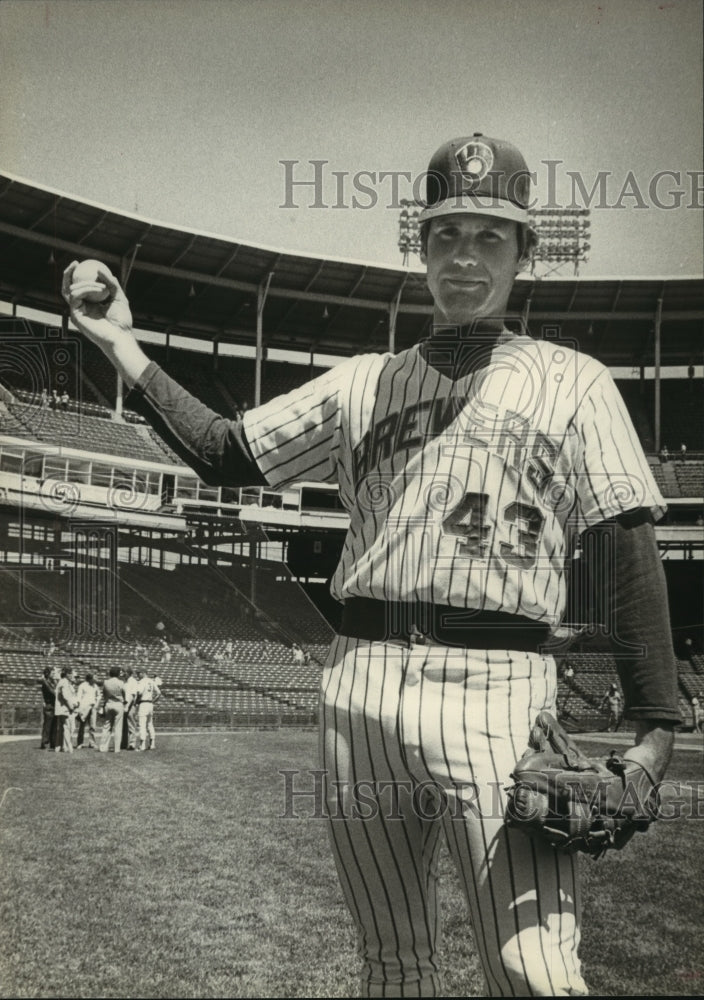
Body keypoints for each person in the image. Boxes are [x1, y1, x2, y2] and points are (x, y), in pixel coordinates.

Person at [63, 132, 680, 997]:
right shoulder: (360, 383)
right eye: (445, 235)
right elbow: (223, 449)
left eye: (489, 236)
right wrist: (119, 343)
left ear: (526, 254)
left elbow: (624, 536)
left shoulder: (574, 380)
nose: (465, 255)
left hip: (499, 682)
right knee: (391, 962)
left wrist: (655, 732)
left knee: (532, 967)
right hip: (360, 681)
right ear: (420, 248)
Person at [100, 666, 126, 753]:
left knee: (106, 726)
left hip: (108, 703)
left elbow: (104, 694)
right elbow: (124, 693)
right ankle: (116, 748)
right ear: (118, 673)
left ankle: (103, 747)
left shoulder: (106, 682)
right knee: (118, 727)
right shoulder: (120, 682)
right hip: (118, 704)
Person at [134, 666, 160, 751]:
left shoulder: (141, 681)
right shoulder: (151, 681)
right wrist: (153, 701)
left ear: (143, 673)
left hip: (143, 703)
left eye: (139, 673)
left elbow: (139, 693)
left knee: (142, 724)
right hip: (150, 704)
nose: (137, 675)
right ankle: (152, 744)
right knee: (150, 724)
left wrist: (136, 701)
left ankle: (142, 745)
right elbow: (159, 693)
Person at [54, 666, 78, 753]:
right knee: (67, 727)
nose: (72, 675)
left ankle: (59, 746)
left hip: (62, 708)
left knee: (62, 728)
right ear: (67, 674)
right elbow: (65, 696)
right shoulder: (64, 682)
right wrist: (71, 706)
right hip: (65, 708)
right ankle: (68, 746)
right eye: (70, 673)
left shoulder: (63, 682)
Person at [75, 671, 100, 749]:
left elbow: (99, 695)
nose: (97, 678)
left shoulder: (95, 686)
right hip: (84, 708)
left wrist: (96, 703)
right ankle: (80, 743)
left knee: (92, 726)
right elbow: (78, 697)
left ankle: (92, 743)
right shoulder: (82, 686)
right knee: (82, 726)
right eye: (95, 677)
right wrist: (78, 708)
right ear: (90, 678)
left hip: (93, 708)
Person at [121, 666, 140, 750]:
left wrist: (127, 707)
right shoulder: (125, 682)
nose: (122, 673)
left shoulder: (133, 682)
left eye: (124, 672)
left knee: (131, 724)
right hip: (125, 705)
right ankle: (124, 743)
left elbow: (132, 695)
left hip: (130, 705)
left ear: (128, 673)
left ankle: (132, 744)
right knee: (124, 725)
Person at [39, 665, 56, 749]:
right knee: (48, 725)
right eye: (52, 673)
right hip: (49, 705)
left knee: (53, 725)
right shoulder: (45, 682)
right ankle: (44, 742)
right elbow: (53, 693)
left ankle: (53, 742)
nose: (54, 674)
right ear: (48, 674)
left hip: (53, 705)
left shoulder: (52, 682)